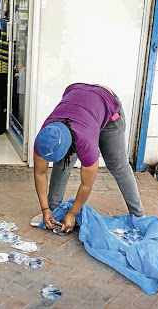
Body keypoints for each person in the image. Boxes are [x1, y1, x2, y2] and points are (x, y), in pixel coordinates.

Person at [33, 83, 145, 234]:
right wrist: (45, 209)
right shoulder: (45, 137)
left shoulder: (85, 143)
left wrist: (72, 214)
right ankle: (54, 210)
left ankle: (139, 216)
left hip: (107, 105)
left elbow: (86, 184)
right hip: (79, 99)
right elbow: (40, 173)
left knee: (117, 165)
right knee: (63, 163)